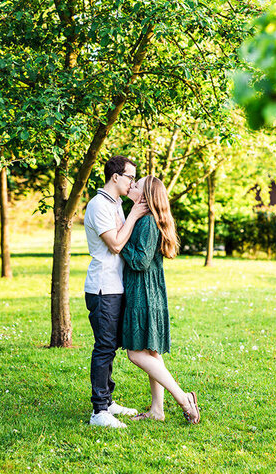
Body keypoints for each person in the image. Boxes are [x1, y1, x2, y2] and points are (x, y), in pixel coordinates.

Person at [120, 175, 200, 425]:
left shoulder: (146, 222)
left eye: (137, 184)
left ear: (145, 196)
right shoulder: (147, 219)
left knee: (135, 353)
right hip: (151, 292)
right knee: (152, 352)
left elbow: (140, 261)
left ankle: (184, 399)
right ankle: (157, 411)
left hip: (143, 293)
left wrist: (116, 241)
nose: (131, 186)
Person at [84, 155, 148, 429]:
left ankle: (108, 402)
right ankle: (99, 411)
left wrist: (131, 210)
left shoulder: (116, 204)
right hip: (102, 288)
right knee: (104, 347)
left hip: (116, 286)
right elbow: (116, 245)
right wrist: (134, 214)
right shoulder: (99, 205)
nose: (133, 182)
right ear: (115, 177)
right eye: (130, 177)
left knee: (111, 347)